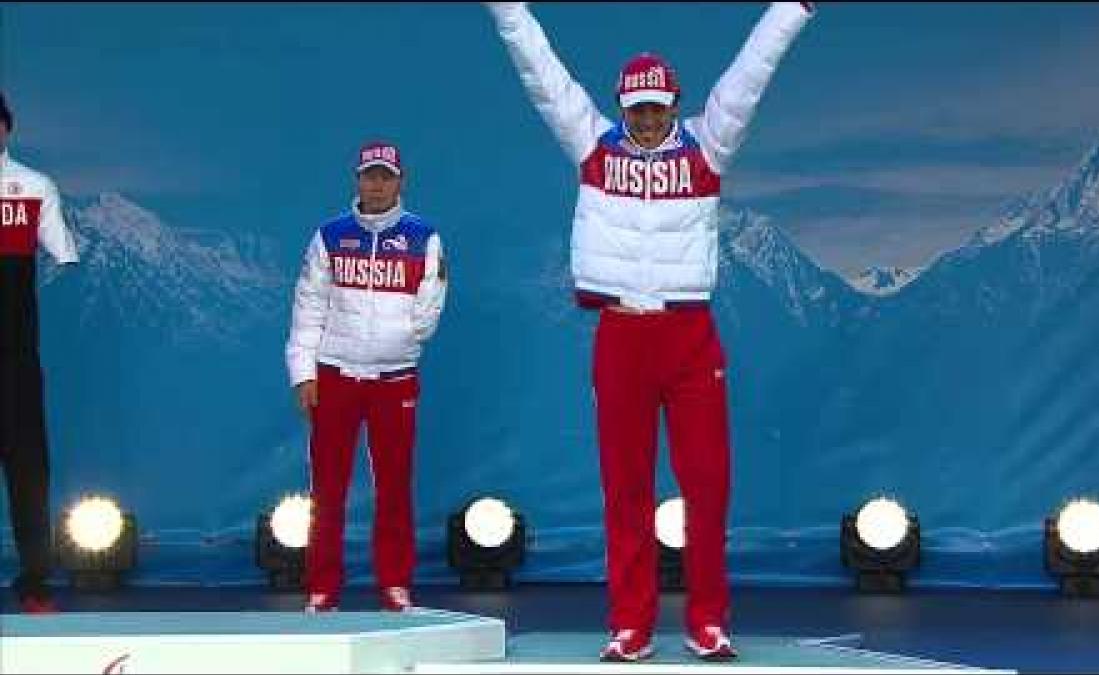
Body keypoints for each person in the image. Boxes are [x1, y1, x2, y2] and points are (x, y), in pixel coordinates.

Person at [485, 2, 814, 661]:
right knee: (625, 486)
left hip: (690, 336)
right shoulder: (592, 146)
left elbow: (752, 73)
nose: (646, 117)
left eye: (657, 106)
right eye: (636, 107)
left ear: (674, 104)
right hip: (621, 335)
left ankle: (707, 621)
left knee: (707, 483)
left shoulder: (707, 147)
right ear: (620, 106)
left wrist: (791, 10)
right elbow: (542, 74)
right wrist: (508, 10)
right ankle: (630, 624)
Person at [285, 141, 448, 613]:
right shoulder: (330, 236)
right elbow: (307, 307)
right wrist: (303, 373)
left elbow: (430, 303)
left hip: (395, 379)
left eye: (385, 176)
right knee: (328, 487)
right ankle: (322, 588)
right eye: (368, 176)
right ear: (357, 180)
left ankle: (395, 584)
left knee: (394, 486)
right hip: (334, 377)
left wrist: (401, 342)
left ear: (401, 181)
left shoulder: (424, 237)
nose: (376, 184)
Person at [0, 91, 79, 614]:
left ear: (6, 129)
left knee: (28, 466)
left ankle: (34, 580)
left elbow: (64, 253)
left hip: (14, 360)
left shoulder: (34, 187)